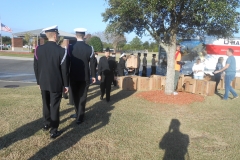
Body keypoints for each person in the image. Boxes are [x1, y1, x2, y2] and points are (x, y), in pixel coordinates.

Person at [34, 25, 69, 139]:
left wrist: (38, 82)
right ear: (54, 35)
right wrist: (66, 85)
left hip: (43, 82)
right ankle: (53, 130)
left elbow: (36, 67)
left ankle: (46, 123)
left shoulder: (38, 49)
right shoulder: (62, 51)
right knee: (54, 106)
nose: (58, 36)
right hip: (56, 83)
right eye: (57, 34)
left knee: (46, 104)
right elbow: (64, 70)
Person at [69, 28, 96, 124]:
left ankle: (78, 113)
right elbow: (93, 63)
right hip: (85, 76)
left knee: (75, 96)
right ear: (84, 36)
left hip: (73, 76)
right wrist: (93, 75)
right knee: (83, 96)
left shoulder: (70, 47)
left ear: (76, 36)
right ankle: (80, 116)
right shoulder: (90, 48)